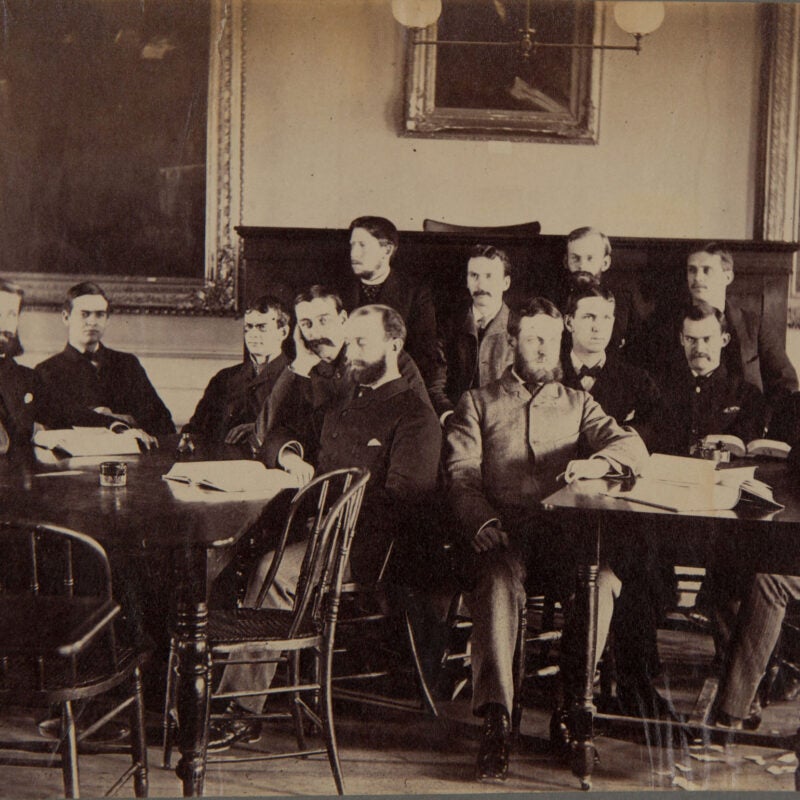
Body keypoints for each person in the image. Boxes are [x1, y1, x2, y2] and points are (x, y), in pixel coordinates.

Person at [210, 304, 442, 750]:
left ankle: (241, 709)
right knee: (226, 553)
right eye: (349, 341)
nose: (349, 352)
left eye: (361, 343)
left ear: (394, 345)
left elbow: (404, 503)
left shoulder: (415, 416)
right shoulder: (342, 397)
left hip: (367, 547)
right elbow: (277, 434)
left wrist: (332, 507)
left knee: (274, 572)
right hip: (313, 529)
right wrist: (291, 457)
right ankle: (217, 686)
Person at [445, 297, 648, 782]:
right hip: (502, 537)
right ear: (513, 341)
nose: (543, 348)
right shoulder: (477, 402)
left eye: (552, 340)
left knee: (602, 583)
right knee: (497, 584)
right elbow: (461, 476)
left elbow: (631, 446)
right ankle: (497, 721)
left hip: (563, 542)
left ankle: (570, 710)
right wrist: (481, 523)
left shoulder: (579, 404)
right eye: (534, 338)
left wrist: (599, 463)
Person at [638, 242, 797, 432]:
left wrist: (763, 423)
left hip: (746, 428)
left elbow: (786, 383)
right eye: (692, 270)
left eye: (707, 270)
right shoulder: (666, 326)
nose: (698, 277)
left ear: (727, 276)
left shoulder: (754, 326)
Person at [257, 285, 430, 443]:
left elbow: (423, 424)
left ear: (343, 320)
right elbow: (261, 437)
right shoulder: (300, 369)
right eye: (306, 324)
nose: (315, 332)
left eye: (323, 320)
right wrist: (300, 365)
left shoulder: (387, 357)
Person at [0, 279, 153, 453]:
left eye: (12, 314)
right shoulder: (43, 370)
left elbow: (66, 412)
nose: (4, 324)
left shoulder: (23, 377)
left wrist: (117, 426)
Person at [35, 282, 175, 437]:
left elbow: (163, 422)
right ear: (66, 317)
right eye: (84, 314)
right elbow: (52, 426)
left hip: (129, 450)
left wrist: (121, 418)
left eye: (100, 314)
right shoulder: (46, 371)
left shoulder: (127, 364)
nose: (92, 322)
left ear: (107, 320)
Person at [339, 216, 442, 399]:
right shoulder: (339, 291)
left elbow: (424, 354)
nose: (354, 253)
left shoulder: (415, 293)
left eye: (362, 245)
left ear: (386, 250)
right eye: (352, 245)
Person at [561, 277, 662, 450]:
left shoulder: (637, 381)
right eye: (589, 317)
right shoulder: (549, 376)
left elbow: (654, 431)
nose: (598, 327)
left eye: (606, 318)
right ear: (569, 322)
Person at [658, 302, 766, 456]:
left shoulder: (747, 395)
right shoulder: (661, 391)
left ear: (724, 340)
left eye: (707, 339)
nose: (699, 348)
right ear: (682, 340)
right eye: (691, 339)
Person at [182, 295, 289, 445]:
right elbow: (195, 428)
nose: (253, 334)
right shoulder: (224, 378)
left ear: (283, 333)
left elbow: (303, 434)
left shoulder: (297, 377)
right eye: (248, 327)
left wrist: (261, 430)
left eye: (262, 327)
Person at [430, 244, 515, 422]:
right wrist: (450, 417)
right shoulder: (447, 325)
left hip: (506, 423)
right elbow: (435, 384)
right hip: (455, 421)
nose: (481, 285)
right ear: (467, 281)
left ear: (505, 283)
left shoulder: (519, 327)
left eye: (489, 276)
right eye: (474, 276)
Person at [554, 227, 644, 354]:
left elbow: (636, 345)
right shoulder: (553, 300)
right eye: (575, 258)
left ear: (605, 263)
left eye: (590, 258)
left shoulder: (622, 300)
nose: (582, 266)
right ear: (566, 261)